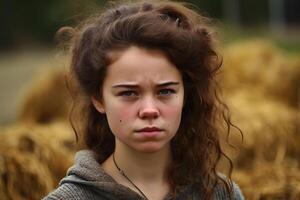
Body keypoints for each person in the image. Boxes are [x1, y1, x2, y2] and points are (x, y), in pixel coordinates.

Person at [43, 0, 244, 199]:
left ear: (185, 94)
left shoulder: (222, 194)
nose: (149, 110)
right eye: (129, 93)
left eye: (165, 91)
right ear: (98, 99)